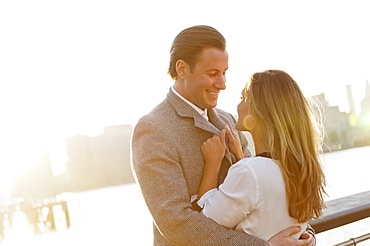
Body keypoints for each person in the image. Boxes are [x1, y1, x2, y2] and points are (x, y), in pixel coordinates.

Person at [131, 25, 316, 245]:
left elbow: (267, 192)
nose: (223, 84)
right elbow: (174, 223)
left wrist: (304, 235)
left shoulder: (229, 120)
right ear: (182, 69)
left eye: (224, 73)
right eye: (212, 74)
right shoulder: (153, 129)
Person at [197, 70, 326, 242]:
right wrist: (241, 159)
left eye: (243, 98)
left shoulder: (250, 171)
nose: (238, 105)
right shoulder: (304, 169)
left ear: (259, 111)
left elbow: (205, 226)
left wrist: (212, 164)